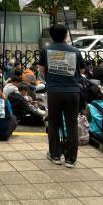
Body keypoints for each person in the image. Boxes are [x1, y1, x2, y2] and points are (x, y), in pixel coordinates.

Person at [38, 23, 83, 168]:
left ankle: (55, 154)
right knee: (72, 124)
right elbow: (82, 71)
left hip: (54, 91)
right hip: (73, 91)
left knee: (53, 122)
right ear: (66, 35)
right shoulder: (75, 51)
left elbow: (42, 70)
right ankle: (71, 159)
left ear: (51, 35)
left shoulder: (46, 50)